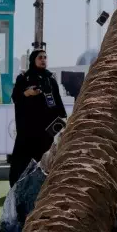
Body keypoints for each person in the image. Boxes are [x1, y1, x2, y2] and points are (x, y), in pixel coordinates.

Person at [9, 49, 68, 185]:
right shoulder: (23, 78)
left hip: (46, 131)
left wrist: (59, 121)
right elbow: (15, 97)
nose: (43, 60)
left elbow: (58, 103)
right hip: (27, 130)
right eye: (40, 57)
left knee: (45, 160)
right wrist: (27, 93)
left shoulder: (50, 79)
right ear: (33, 60)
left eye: (45, 57)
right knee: (22, 161)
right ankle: (17, 187)